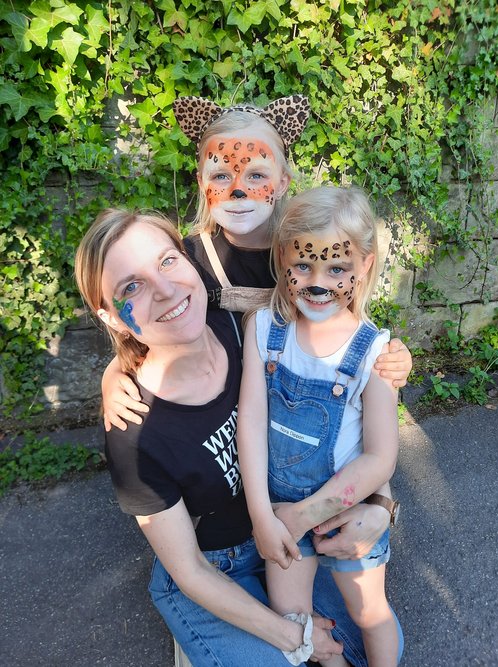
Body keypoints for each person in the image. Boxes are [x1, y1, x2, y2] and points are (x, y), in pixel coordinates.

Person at [74, 209, 402, 666]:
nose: (165, 290)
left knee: (375, 644)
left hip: (286, 529)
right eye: (132, 287)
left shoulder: (237, 325)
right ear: (110, 316)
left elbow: (353, 403)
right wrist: (296, 638)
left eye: (167, 261)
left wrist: (381, 505)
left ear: (190, 260)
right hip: (212, 567)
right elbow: (189, 570)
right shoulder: (135, 430)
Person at [102, 95, 412, 435]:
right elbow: (156, 329)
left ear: (282, 182)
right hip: (220, 422)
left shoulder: (306, 257)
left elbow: (345, 322)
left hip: (291, 421)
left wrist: (393, 357)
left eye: (256, 175)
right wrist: (114, 372)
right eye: (221, 175)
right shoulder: (186, 262)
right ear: (201, 182)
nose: (238, 190)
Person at [238, 186, 401, 666]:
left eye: (336, 269)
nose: (317, 283)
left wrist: (305, 515)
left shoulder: (374, 354)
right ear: (282, 258)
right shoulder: (263, 329)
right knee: (294, 620)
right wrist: (261, 516)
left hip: (343, 513)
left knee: (369, 612)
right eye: (303, 265)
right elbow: (251, 421)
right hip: (280, 512)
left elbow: (381, 457)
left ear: (364, 265)